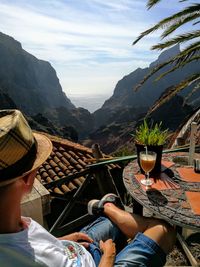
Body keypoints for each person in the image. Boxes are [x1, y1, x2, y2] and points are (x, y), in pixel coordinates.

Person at [0, 109, 176, 267]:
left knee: (121, 221)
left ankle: (107, 208)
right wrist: (109, 255)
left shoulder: (10, 224)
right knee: (163, 229)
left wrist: (59, 241)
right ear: (28, 179)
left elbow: (31, 244)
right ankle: (107, 208)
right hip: (98, 261)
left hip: (73, 248)